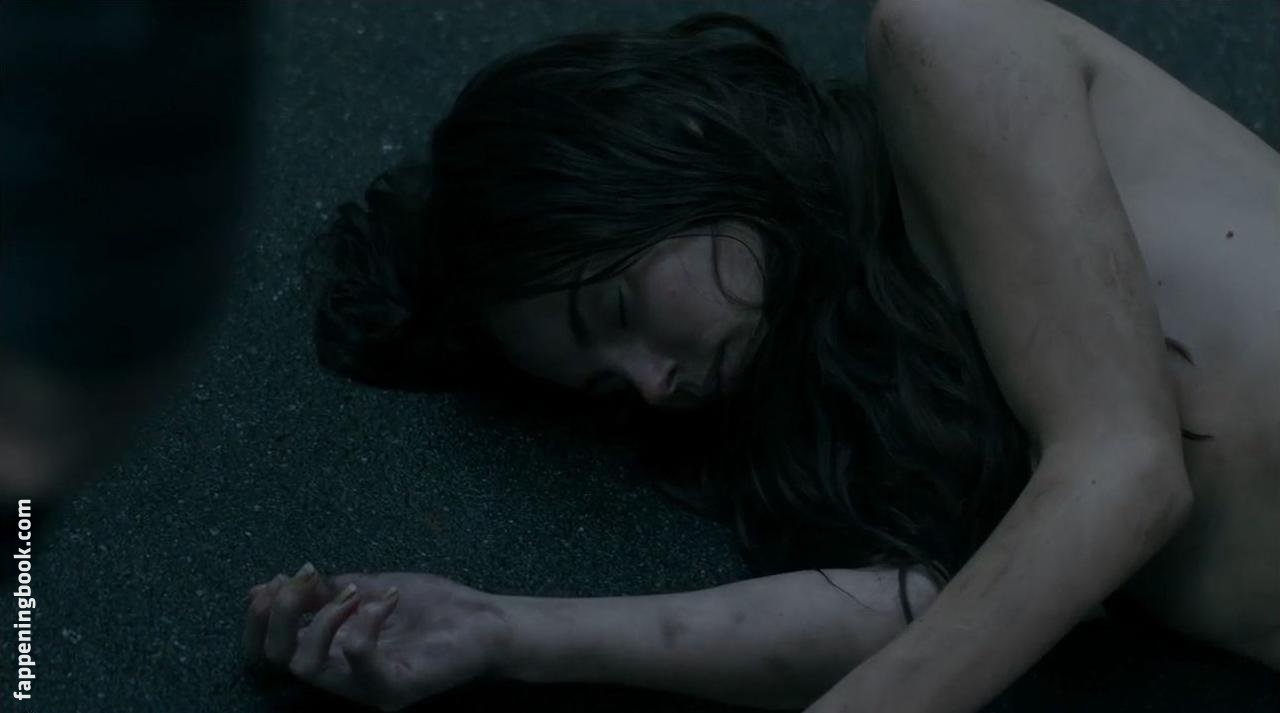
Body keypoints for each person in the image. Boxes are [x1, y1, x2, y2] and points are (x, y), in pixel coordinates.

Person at [243, 1, 1279, 711]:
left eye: (618, 305)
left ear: (681, 144)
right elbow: (955, 612)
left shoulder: (947, 39)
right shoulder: (889, 387)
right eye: (609, 385)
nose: (654, 383)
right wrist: (501, 629)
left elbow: (1126, 469)